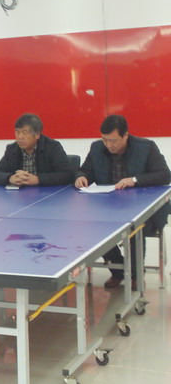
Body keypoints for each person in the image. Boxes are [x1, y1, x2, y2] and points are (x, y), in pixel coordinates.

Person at [75, 115, 171, 289]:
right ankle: (118, 270)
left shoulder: (146, 147)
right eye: (105, 140)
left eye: (113, 141)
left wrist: (134, 180)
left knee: (135, 227)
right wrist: (81, 176)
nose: (108, 145)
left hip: (143, 205)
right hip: (109, 206)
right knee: (95, 227)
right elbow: (85, 170)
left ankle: (136, 275)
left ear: (125, 135)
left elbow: (164, 175)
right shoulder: (97, 148)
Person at [0, 113, 73, 187]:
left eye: (24, 132)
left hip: (46, 194)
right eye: (17, 132)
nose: (20, 137)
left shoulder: (53, 147)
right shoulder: (12, 149)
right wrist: (10, 178)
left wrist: (38, 179)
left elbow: (66, 175)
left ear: (37, 134)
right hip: (20, 196)